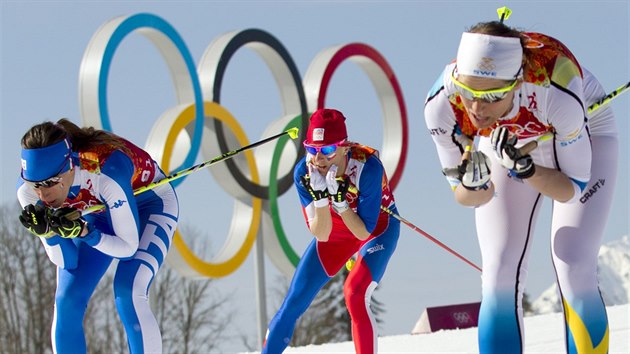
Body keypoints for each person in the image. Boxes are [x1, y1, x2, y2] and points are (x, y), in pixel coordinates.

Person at [423, 10, 617, 354]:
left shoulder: (555, 88)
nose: (477, 109)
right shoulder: (442, 104)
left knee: (573, 262)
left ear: (516, 83)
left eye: (492, 97)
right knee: (498, 270)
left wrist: (527, 170)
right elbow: (465, 197)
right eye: (469, 93)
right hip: (507, 143)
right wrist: (475, 182)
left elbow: (572, 189)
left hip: (582, 133)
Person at [17, 118, 179, 353]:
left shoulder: (105, 171)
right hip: (98, 212)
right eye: (35, 184)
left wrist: (84, 232)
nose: (43, 194)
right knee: (67, 301)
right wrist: (50, 234)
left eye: (50, 182)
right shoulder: (28, 195)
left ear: (69, 167)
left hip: (149, 205)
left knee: (128, 291)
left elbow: (128, 248)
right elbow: (67, 261)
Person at [262, 108, 400, 354]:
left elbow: (362, 232)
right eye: (312, 150)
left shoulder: (368, 168)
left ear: (344, 147)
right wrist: (323, 200)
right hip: (336, 231)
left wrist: (341, 204)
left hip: (377, 228)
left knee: (355, 294)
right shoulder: (304, 173)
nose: (319, 159)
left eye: (327, 150)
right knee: (294, 302)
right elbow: (322, 234)